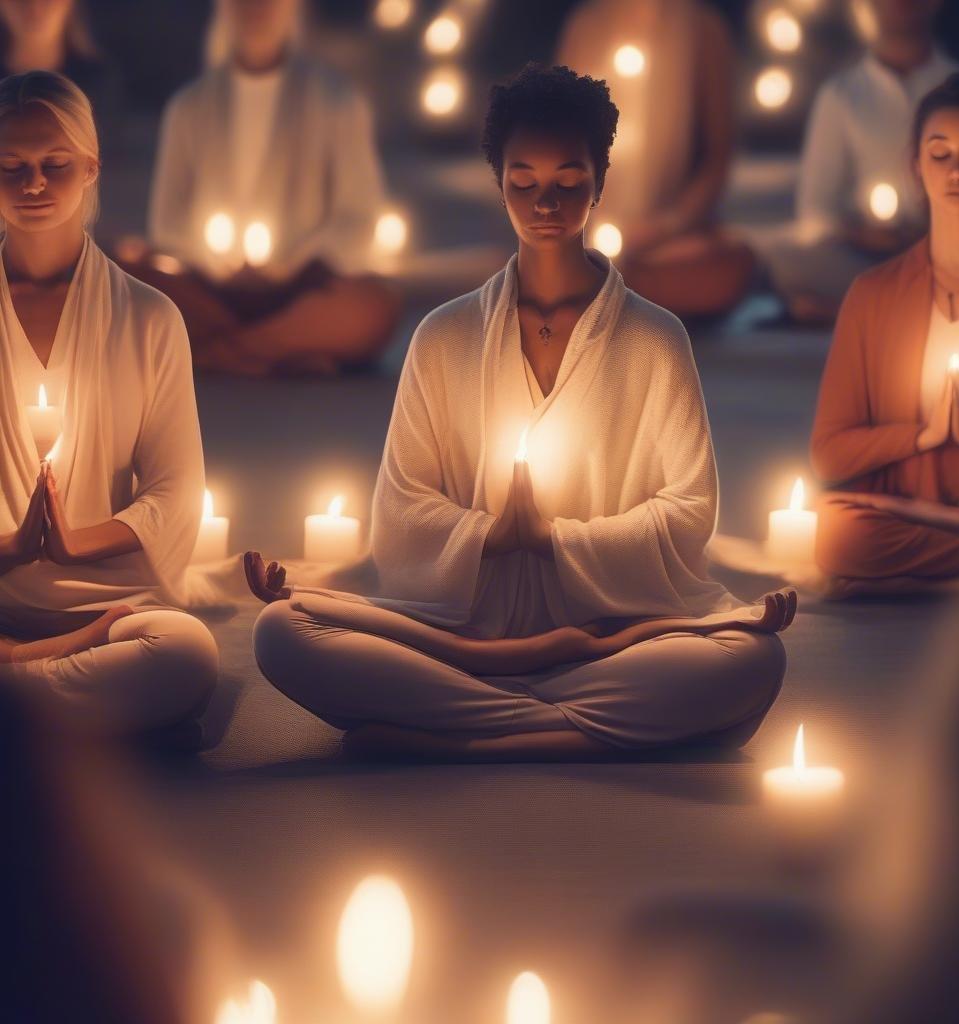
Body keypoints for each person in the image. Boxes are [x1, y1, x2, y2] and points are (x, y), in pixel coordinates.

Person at [246, 65, 793, 762]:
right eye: (523, 181)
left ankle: (471, 737)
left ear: (601, 179)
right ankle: (561, 725)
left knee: (751, 660)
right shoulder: (444, 336)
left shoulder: (655, 339)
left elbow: (689, 510)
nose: (546, 202)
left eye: (569, 180)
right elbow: (401, 508)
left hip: (608, 631)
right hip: (463, 632)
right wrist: (494, 537)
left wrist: (557, 539)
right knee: (283, 632)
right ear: (497, 180)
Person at [0, 71, 218, 736]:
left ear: (90, 167)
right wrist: (14, 547)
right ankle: (45, 690)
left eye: (55, 164)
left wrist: (73, 544)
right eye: (11, 167)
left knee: (186, 656)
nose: (33, 184)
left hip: (115, 604)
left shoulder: (149, 318)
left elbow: (177, 492)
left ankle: (19, 683)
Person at [810, 74, 959, 598]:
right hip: (908, 510)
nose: (958, 170)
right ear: (916, 166)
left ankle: (950, 567)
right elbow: (829, 454)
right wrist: (922, 435)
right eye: (940, 153)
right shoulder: (873, 294)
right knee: (835, 532)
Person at [124, 0, 399, 376]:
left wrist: (298, 264)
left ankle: (223, 352)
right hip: (209, 290)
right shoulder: (189, 107)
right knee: (128, 278)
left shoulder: (337, 101)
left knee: (374, 305)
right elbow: (166, 223)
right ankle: (284, 351)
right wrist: (214, 262)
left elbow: (358, 214)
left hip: (303, 292)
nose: (256, 7)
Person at [556, 0, 754, 319]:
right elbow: (561, 142)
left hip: (668, 243)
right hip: (592, 228)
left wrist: (666, 225)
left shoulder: (702, 29)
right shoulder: (586, 27)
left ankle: (605, 286)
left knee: (731, 264)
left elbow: (717, 159)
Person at [768, 0, 959, 323]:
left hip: (946, 253)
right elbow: (815, 213)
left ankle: (856, 312)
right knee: (785, 258)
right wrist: (863, 234)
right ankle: (913, 307)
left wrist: (934, 228)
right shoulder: (841, 95)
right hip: (866, 257)